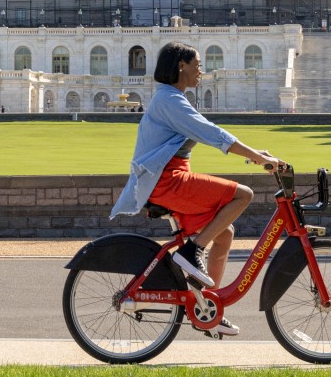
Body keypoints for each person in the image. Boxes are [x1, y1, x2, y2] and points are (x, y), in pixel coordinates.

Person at [108, 41, 283, 337]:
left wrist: (256, 153)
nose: (202, 70)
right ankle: (193, 250)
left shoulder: (172, 98)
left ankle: (207, 306)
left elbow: (207, 133)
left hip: (171, 178)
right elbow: (212, 133)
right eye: (198, 64)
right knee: (244, 195)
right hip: (168, 182)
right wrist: (255, 156)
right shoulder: (170, 100)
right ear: (181, 66)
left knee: (225, 233)